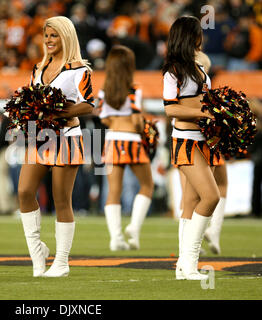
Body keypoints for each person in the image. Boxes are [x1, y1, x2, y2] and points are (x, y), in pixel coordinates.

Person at [17, 16, 94, 277]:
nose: (49, 40)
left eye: (55, 35)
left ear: (66, 37)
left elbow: (89, 104)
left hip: (67, 138)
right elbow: (30, 100)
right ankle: (37, 252)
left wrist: (59, 111)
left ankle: (61, 262)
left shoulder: (79, 69)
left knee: (62, 199)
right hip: (39, 138)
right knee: (25, 191)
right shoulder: (38, 68)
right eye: (46, 35)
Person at [163, 16, 222, 280]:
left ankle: (181, 267)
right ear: (192, 37)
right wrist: (204, 113)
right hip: (185, 141)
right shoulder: (173, 70)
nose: (202, 38)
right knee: (211, 197)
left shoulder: (200, 69)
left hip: (202, 140)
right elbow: (171, 108)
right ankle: (189, 263)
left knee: (191, 201)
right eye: (199, 33)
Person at [97, 45, 153, 251]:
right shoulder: (134, 89)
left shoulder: (105, 91)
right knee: (147, 185)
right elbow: (138, 121)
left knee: (113, 191)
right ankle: (134, 227)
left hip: (112, 140)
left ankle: (116, 238)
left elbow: (105, 120)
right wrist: (144, 126)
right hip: (131, 140)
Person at [178, 51, 228, 255]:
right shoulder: (193, 86)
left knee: (190, 198)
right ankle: (205, 238)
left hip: (195, 142)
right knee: (214, 190)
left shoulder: (188, 83)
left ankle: (187, 253)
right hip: (195, 143)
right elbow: (173, 111)